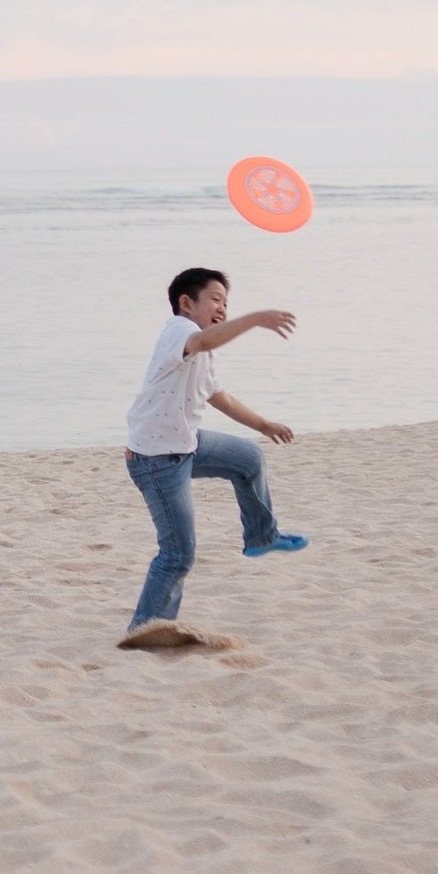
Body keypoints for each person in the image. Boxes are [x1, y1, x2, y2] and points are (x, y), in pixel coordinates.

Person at [119, 267, 308, 649]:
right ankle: (146, 628)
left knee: (249, 459)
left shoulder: (200, 353)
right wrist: (255, 319)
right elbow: (204, 341)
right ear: (186, 303)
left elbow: (219, 397)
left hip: (185, 445)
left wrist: (263, 424)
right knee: (178, 553)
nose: (223, 307)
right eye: (216, 299)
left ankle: (261, 536)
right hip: (157, 460)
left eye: (227, 302)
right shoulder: (178, 330)